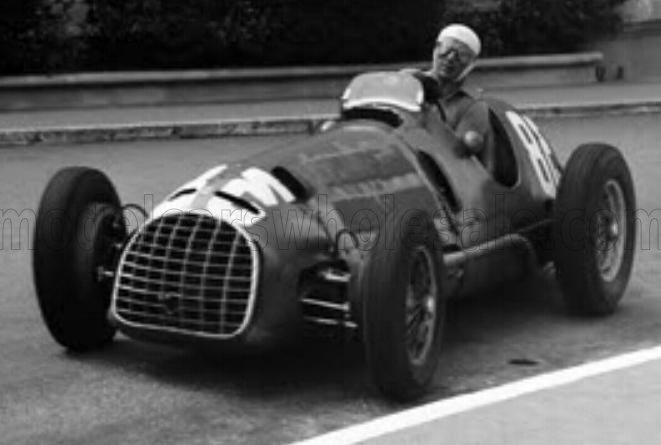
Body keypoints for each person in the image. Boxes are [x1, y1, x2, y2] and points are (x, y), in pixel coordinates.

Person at [413, 24, 493, 166]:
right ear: (435, 48)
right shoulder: (407, 79)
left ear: (471, 64)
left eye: (462, 55)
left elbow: (456, 159)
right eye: (446, 49)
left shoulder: (473, 105)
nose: (450, 58)